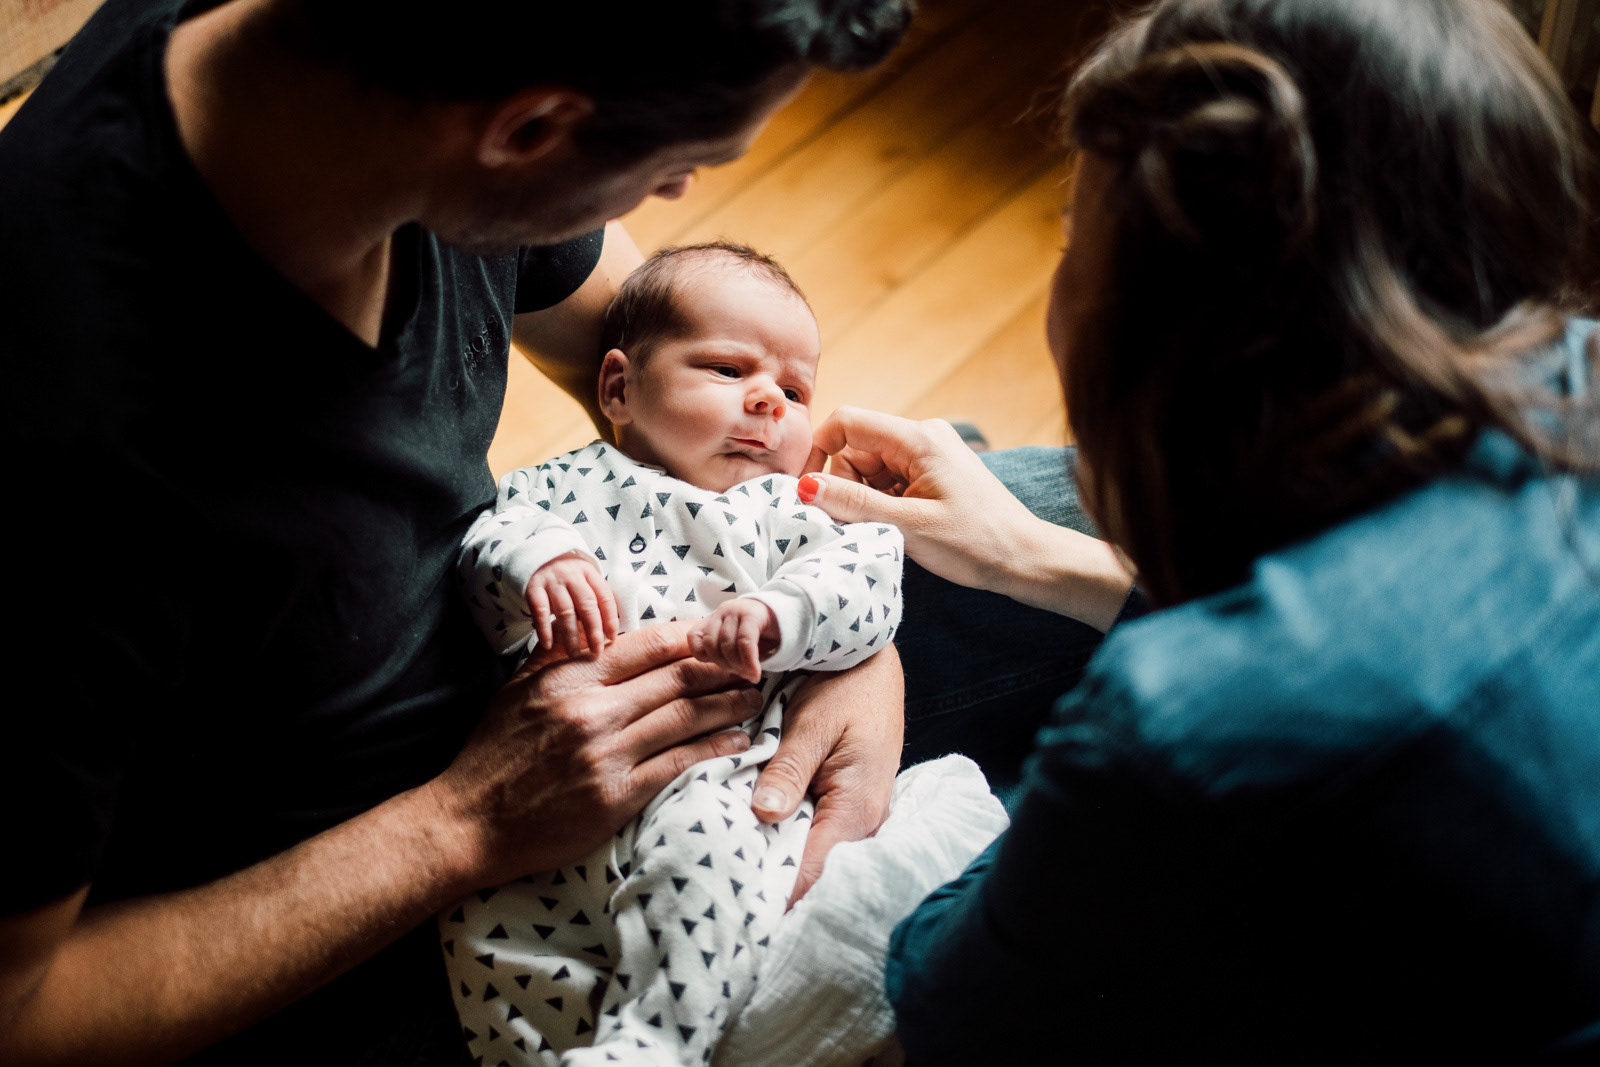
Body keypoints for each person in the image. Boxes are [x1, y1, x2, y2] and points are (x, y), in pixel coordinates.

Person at [0, 0, 918, 1062]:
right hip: (361, 907)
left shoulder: (384, 89)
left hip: (652, 665)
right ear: (528, 133)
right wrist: (462, 825)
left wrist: (839, 629)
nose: (673, 195)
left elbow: (667, 365)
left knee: (1043, 509)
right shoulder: (66, 454)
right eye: (684, 161)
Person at [796, 0, 1600, 1060]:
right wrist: (1043, 562)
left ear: (1167, 334)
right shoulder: (1575, 360)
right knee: (1018, 507)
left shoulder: (1181, 727)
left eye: (1075, 238)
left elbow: (940, 1014)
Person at [444, 242, 1004, 1066]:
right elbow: (487, 545)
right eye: (728, 369)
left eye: (794, 389)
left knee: (706, 856)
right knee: (483, 931)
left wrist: (787, 611)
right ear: (618, 388)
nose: (769, 402)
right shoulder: (557, 487)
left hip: (712, 773)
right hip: (541, 804)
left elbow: (867, 580)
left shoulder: (792, 505)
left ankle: (655, 1042)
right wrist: (536, 566)